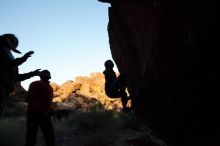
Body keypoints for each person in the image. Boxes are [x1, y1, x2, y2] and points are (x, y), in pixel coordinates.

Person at [0, 33, 40, 113]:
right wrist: (23, 59)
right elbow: (4, 65)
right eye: (14, 40)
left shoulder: (9, 53)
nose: (16, 43)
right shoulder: (1, 50)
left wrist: (33, 73)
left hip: (5, 91)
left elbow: (16, 77)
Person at [25, 70, 55, 146]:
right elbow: (30, 98)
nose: (47, 74)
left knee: (48, 135)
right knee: (32, 136)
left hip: (44, 114)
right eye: (46, 73)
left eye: (48, 73)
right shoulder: (36, 84)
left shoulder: (50, 87)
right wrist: (42, 111)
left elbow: (49, 101)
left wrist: (51, 110)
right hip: (35, 113)